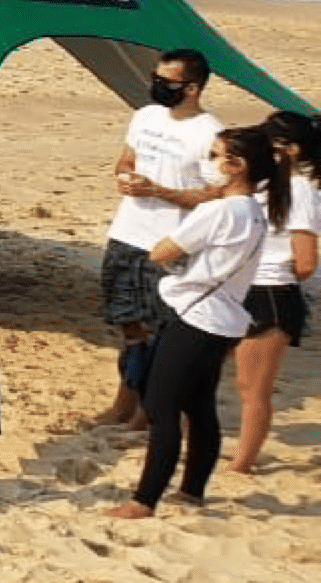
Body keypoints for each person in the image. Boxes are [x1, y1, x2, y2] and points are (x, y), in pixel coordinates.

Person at [107, 126, 290, 519]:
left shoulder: (221, 210)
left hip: (197, 316)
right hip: (222, 319)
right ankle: (191, 491)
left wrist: (174, 233)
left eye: (214, 155)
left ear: (236, 166)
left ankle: (145, 499)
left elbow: (162, 251)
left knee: (161, 405)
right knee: (199, 405)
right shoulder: (254, 212)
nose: (208, 164)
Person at [96, 48, 224, 428]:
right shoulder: (146, 115)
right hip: (127, 231)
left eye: (167, 82)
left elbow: (213, 193)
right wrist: (125, 176)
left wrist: (160, 191)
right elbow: (125, 159)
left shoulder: (210, 132)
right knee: (128, 322)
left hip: (172, 240)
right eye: (156, 78)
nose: (157, 86)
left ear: (192, 88)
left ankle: (151, 411)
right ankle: (125, 400)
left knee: (162, 327)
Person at [228, 111, 320, 474]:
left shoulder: (300, 192)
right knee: (225, 377)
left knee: (253, 387)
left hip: (271, 291)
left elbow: (306, 261)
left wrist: (277, 275)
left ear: (290, 150)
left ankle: (242, 463)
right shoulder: (263, 183)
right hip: (241, 287)